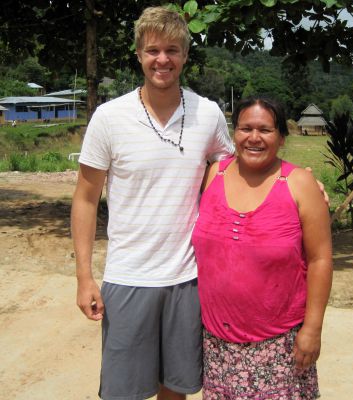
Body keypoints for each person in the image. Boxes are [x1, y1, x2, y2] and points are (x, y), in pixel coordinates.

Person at [71, 6, 234, 400]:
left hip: (188, 279)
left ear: (185, 55)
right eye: (153, 50)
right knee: (124, 391)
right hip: (128, 278)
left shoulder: (208, 114)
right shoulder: (110, 118)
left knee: (175, 389)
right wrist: (83, 277)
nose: (163, 59)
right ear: (139, 54)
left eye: (173, 50)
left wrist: (299, 181)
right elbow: (85, 198)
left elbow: (233, 170)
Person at [192, 96, 333, 399]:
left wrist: (313, 329)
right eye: (245, 128)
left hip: (278, 347)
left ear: (282, 137)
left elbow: (320, 259)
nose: (254, 137)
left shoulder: (299, 184)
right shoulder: (212, 175)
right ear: (234, 134)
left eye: (265, 130)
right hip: (218, 346)